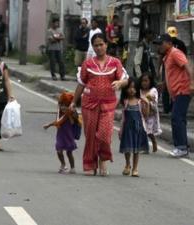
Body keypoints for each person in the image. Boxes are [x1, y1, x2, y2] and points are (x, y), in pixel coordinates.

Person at [71, 33, 128, 176]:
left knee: (104, 134)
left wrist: (120, 83)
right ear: (93, 47)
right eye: (96, 45)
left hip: (108, 105)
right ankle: (90, 163)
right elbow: (81, 84)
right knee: (90, 135)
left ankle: (103, 160)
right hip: (89, 104)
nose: (99, 47)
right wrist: (73, 102)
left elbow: (125, 79)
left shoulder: (115, 62)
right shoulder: (87, 64)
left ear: (106, 45)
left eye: (101, 44)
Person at [154, 34, 194, 157]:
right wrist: (164, 85)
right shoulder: (167, 56)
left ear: (169, 43)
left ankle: (181, 147)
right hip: (176, 92)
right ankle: (182, 147)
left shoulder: (175, 53)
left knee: (177, 118)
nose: (159, 47)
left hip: (183, 90)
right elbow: (172, 74)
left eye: (161, 44)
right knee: (179, 118)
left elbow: (188, 67)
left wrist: (192, 83)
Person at [43, 92, 81, 174]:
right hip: (60, 136)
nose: (63, 107)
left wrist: (73, 110)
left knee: (69, 152)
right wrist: (48, 125)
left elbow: (76, 119)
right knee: (59, 150)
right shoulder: (60, 114)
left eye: (66, 105)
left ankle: (72, 167)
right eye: (61, 105)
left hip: (68, 136)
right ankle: (63, 164)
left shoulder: (71, 114)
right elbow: (57, 122)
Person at [119, 77, 149, 177]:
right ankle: (128, 164)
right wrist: (120, 129)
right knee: (127, 149)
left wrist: (147, 104)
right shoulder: (125, 102)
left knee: (136, 149)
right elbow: (123, 118)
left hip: (138, 129)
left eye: (134, 87)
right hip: (127, 129)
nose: (132, 90)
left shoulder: (140, 101)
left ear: (137, 89)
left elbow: (145, 115)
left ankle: (135, 168)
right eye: (129, 87)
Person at [139, 72, 162, 153]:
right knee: (143, 130)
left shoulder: (153, 90)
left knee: (148, 131)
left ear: (150, 81)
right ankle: (144, 147)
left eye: (146, 81)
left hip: (151, 114)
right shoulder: (139, 91)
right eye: (142, 81)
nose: (144, 83)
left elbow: (154, 100)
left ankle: (153, 141)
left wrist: (150, 98)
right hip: (141, 113)